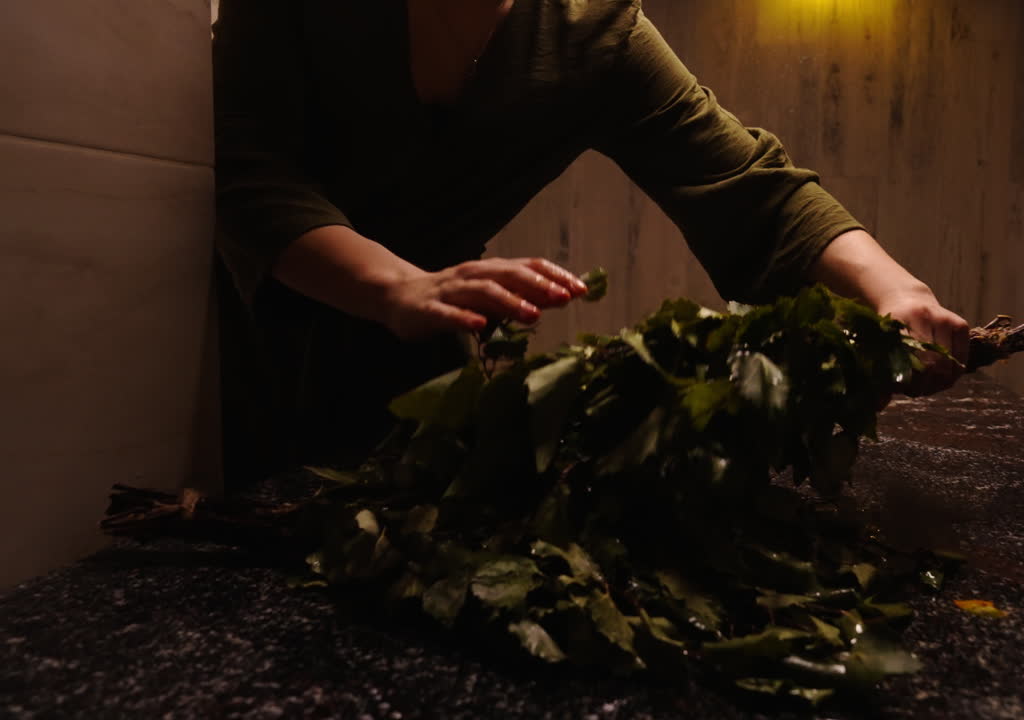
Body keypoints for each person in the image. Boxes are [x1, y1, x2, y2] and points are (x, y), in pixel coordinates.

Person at [212, 0, 970, 485]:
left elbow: (752, 188)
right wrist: (396, 287)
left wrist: (896, 293)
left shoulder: (593, 31)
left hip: (416, 385)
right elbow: (248, 175)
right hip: (232, 354)